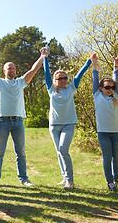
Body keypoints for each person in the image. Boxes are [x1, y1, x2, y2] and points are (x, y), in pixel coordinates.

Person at [0, 47, 47, 188]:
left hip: (18, 121)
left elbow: (33, 70)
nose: (12, 70)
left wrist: (42, 56)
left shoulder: (20, 82)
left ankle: (24, 179)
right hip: (3, 121)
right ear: (4, 71)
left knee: (20, 152)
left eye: (13, 68)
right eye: (9, 68)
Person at [43, 48, 95, 190]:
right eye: (60, 78)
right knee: (59, 152)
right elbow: (46, 73)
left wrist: (89, 61)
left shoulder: (71, 88)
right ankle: (64, 177)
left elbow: (80, 74)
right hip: (54, 126)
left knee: (63, 149)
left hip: (68, 125)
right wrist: (45, 57)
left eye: (65, 78)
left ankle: (70, 181)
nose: (64, 80)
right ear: (55, 81)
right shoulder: (51, 89)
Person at [92, 53, 118, 191]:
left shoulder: (116, 96)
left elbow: (116, 79)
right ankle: (109, 181)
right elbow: (95, 78)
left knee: (116, 158)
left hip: (117, 132)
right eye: (107, 87)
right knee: (107, 157)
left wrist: (115, 66)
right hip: (103, 133)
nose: (110, 89)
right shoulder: (97, 95)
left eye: (112, 87)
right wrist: (94, 64)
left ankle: (115, 179)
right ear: (101, 88)